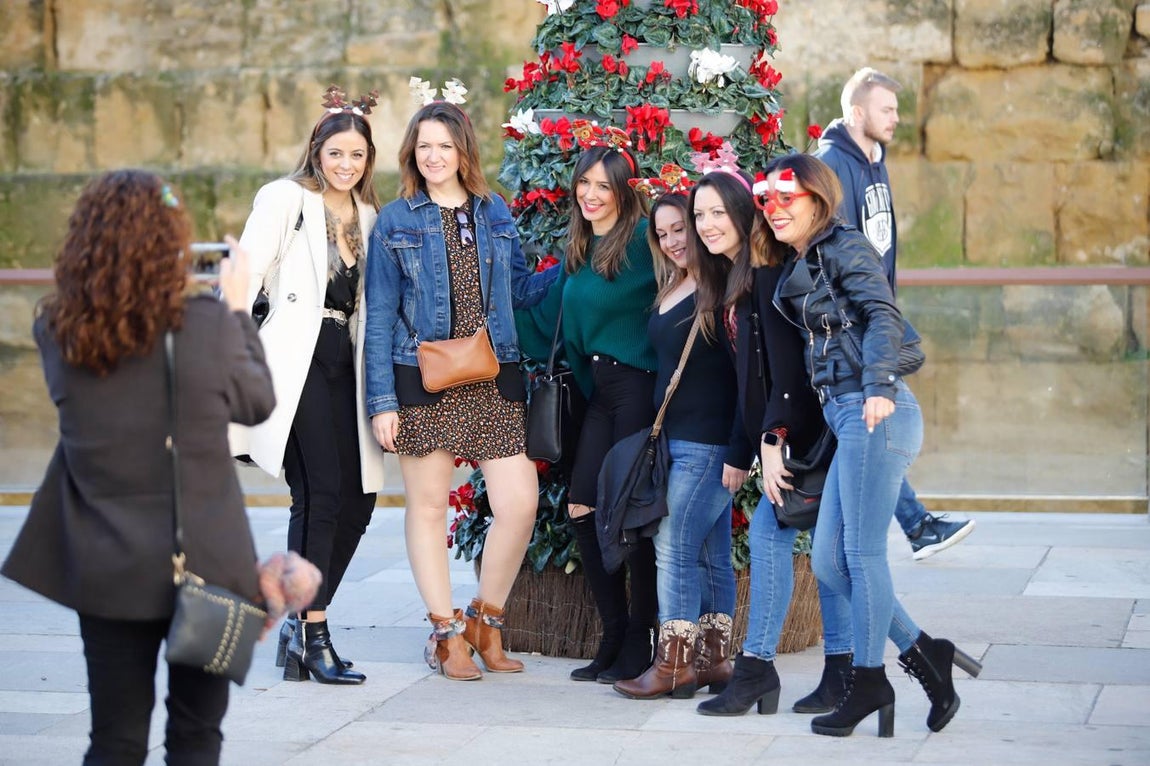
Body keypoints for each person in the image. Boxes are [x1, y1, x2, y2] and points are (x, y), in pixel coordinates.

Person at [1, 170, 276, 764]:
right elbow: (258, 401)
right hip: (210, 565)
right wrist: (234, 308)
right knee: (198, 736)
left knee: (115, 739)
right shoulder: (207, 325)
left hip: (106, 564)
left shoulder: (57, 329)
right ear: (172, 243)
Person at [761, 153, 981, 737]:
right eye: (766, 198)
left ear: (818, 198)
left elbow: (882, 312)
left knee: (860, 555)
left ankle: (868, 679)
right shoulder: (803, 258)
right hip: (846, 418)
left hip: (875, 410)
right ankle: (925, 654)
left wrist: (879, 384)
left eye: (787, 197)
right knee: (831, 562)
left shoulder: (843, 245)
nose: (774, 208)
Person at [364, 99, 558, 681]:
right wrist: (381, 401)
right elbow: (379, 316)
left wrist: (579, 259)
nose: (433, 155)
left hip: (492, 376)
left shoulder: (495, 211)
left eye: (444, 145)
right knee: (425, 508)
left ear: (463, 150)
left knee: (519, 504)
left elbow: (520, 289)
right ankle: (446, 634)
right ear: (411, 152)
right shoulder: (397, 220)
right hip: (421, 378)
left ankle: (485, 620)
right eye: (423, 145)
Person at [651, 169, 850, 718]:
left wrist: (770, 442)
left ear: (744, 212)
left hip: (812, 435)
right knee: (827, 554)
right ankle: (841, 674)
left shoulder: (765, 272)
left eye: (718, 213)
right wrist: (747, 447)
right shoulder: (736, 277)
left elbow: (787, 374)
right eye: (700, 215)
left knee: (783, 544)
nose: (706, 225)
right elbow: (748, 382)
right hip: (798, 435)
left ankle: (763, 671)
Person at [233, 86, 387, 685]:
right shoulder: (283, 199)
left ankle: (301, 626)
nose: (345, 165)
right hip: (293, 361)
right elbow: (242, 280)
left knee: (361, 499)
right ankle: (313, 634)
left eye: (357, 155)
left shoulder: (371, 217)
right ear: (317, 150)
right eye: (336, 153)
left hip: (345, 363)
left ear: (368, 160)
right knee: (320, 495)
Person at [516, 124, 660, 685]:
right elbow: (544, 322)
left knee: (633, 517)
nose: (592, 193)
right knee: (582, 507)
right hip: (598, 393)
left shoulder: (647, 241)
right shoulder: (578, 250)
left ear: (625, 192)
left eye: (605, 185)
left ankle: (641, 641)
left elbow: (693, 274)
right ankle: (613, 635)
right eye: (585, 183)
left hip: (638, 389)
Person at [816, 67, 974, 560]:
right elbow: (830, 249)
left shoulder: (875, 163)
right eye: (887, 109)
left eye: (896, 109)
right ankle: (915, 523)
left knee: (861, 433)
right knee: (868, 425)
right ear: (857, 112)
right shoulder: (831, 164)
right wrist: (858, 318)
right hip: (850, 324)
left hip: (873, 317)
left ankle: (915, 524)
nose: (896, 119)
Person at [612, 183, 751, 700]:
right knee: (712, 552)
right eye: (663, 232)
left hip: (710, 444)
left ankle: (673, 667)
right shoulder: (675, 283)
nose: (673, 240)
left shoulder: (722, 288)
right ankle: (715, 659)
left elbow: (747, 378)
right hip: (679, 441)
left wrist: (741, 450)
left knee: (672, 548)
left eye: (682, 229)